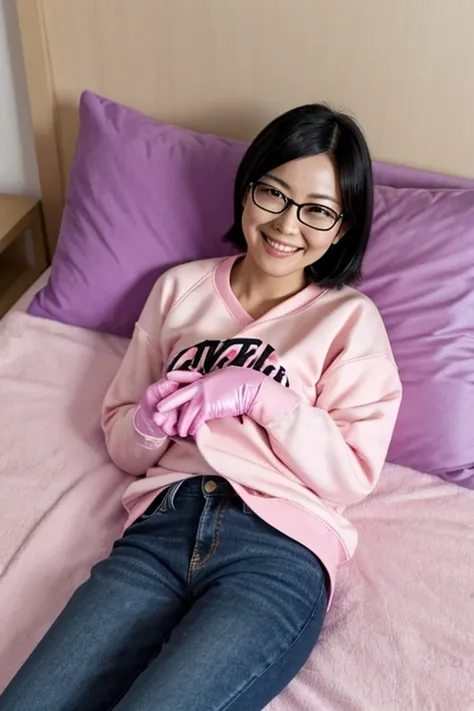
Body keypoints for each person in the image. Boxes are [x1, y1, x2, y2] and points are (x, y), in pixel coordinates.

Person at [0, 104, 401, 711]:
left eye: (318, 210)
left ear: (341, 228)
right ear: (248, 189)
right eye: (274, 193)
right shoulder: (179, 290)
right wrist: (147, 422)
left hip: (277, 547)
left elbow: (351, 476)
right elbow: (123, 441)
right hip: (160, 528)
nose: (288, 224)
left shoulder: (349, 320)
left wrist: (265, 398)